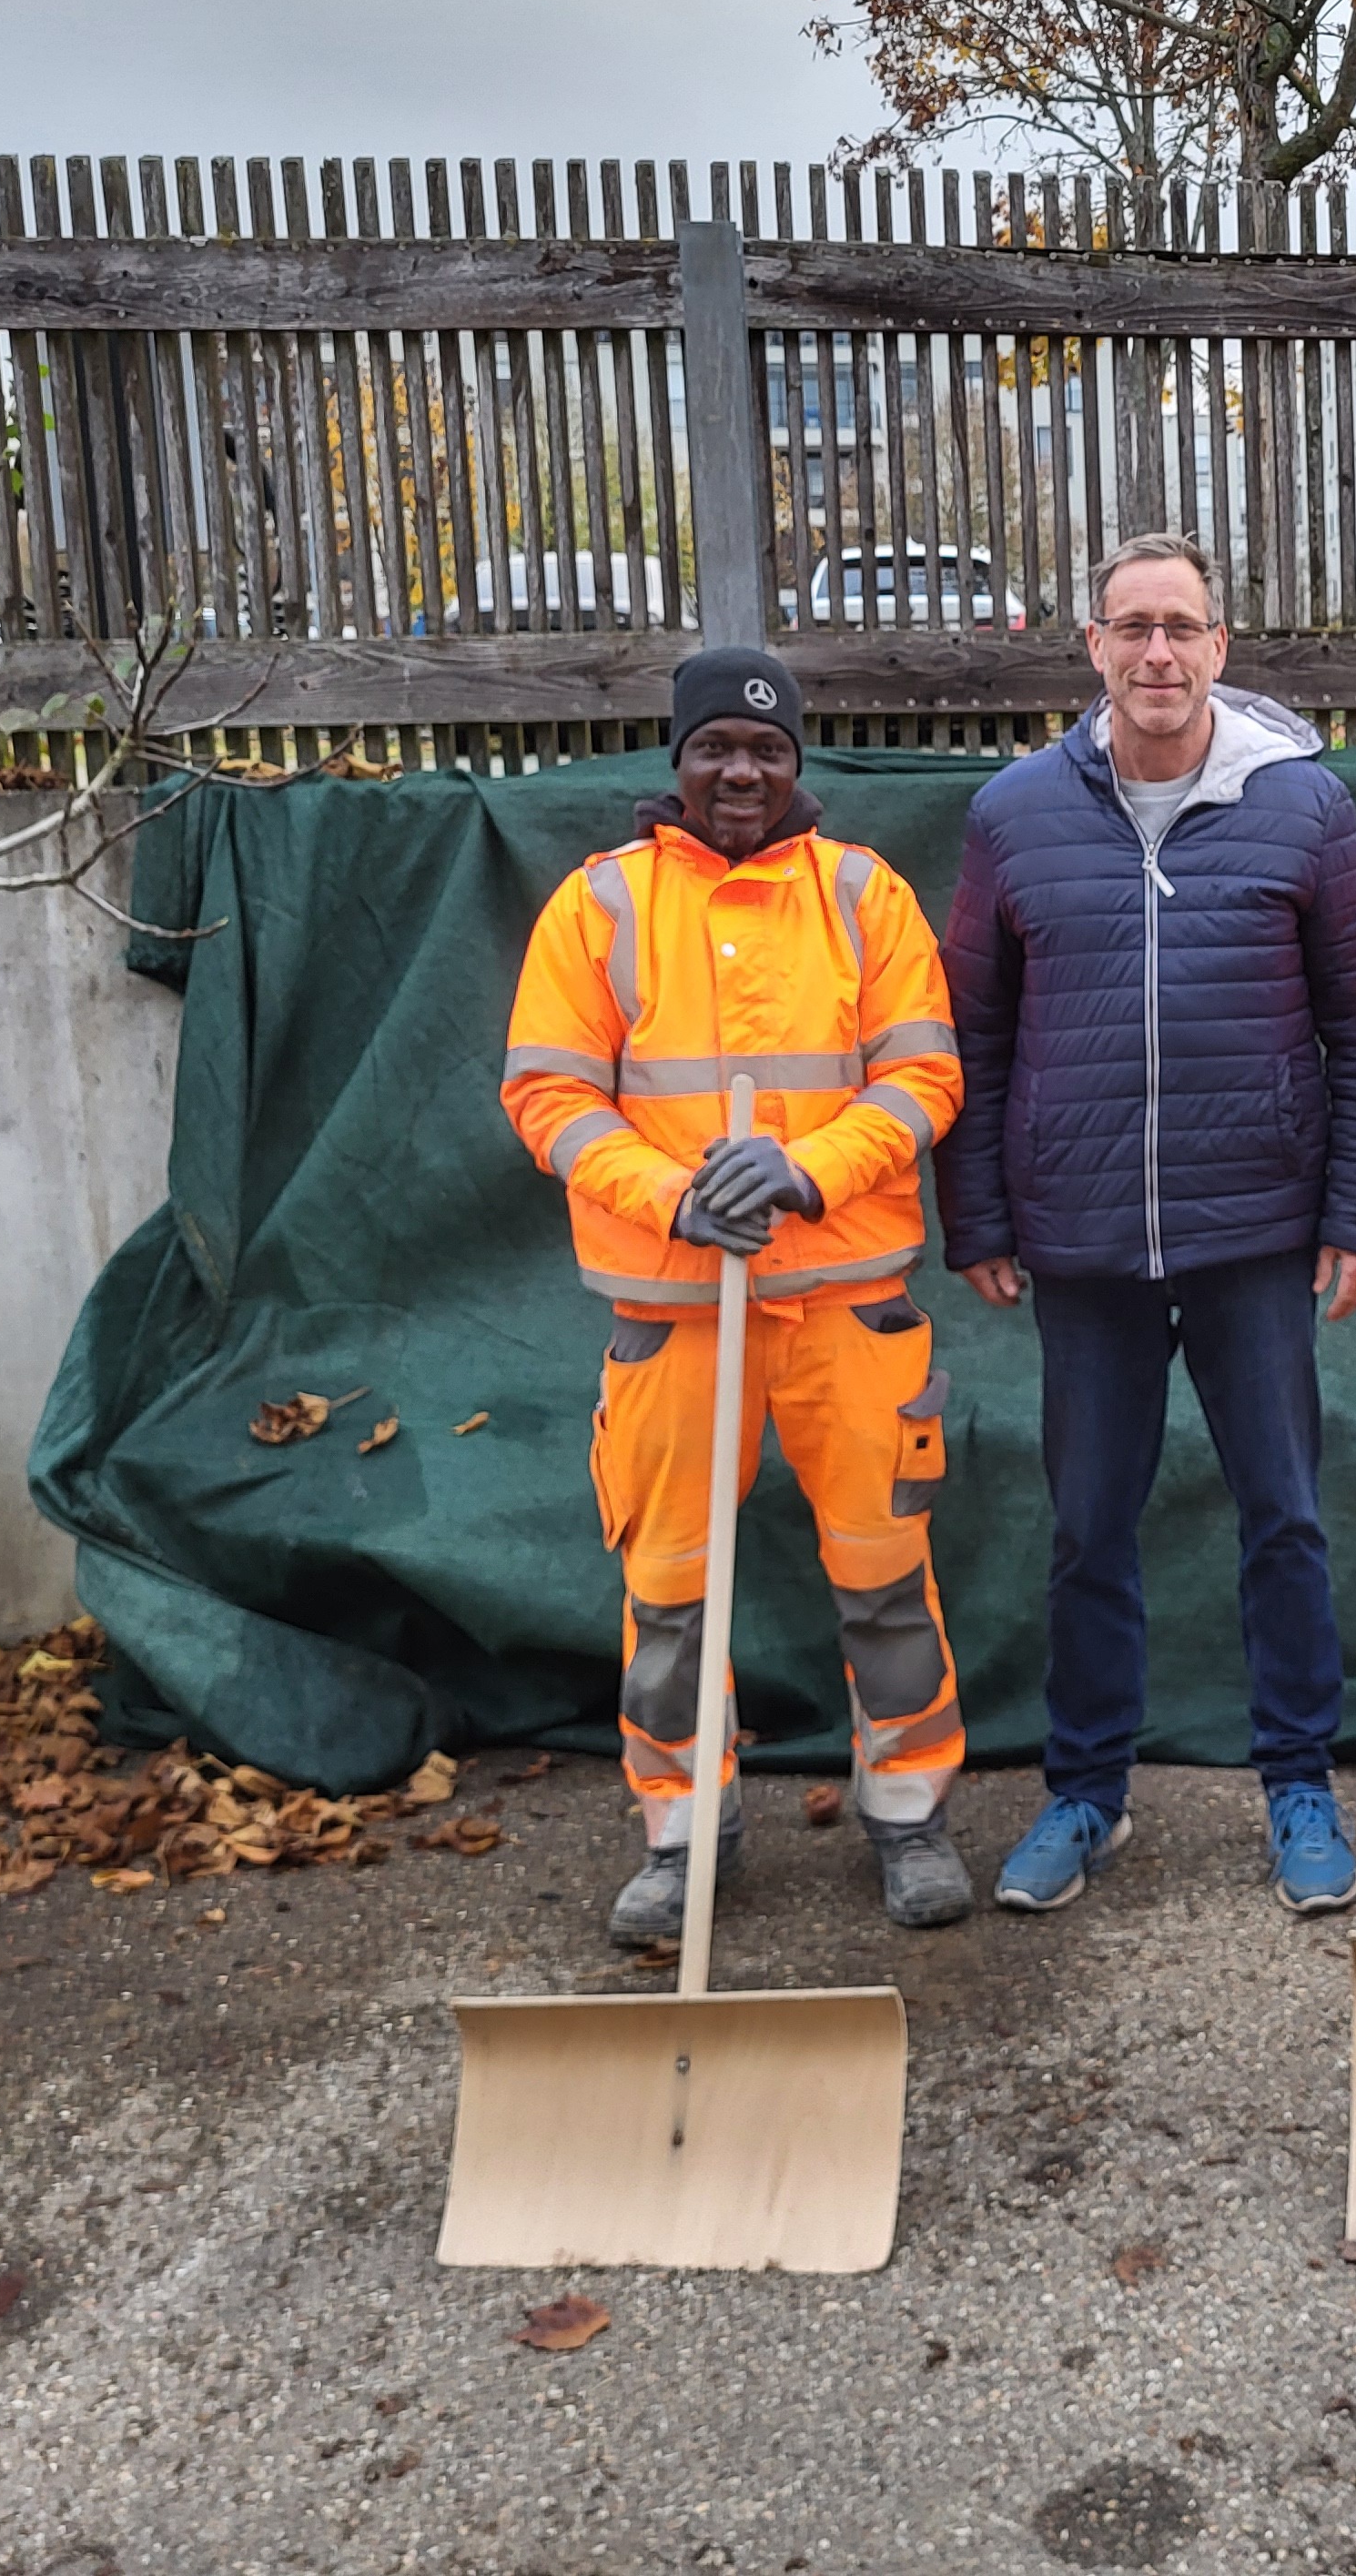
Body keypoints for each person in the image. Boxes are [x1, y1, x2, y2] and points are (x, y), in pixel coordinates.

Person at [934, 531, 1356, 1916]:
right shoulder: (1013, 811)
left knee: (1286, 1518)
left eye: (1182, 628)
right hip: (1078, 1236)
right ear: (1093, 647)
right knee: (1088, 1527)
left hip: (1258, 1224)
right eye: (1131, 627)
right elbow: (974, 1031)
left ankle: (1300, 1788)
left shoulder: (1305, 806)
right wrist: (978, 1215)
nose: (1157, 653)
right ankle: (1085, 1797)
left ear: (1220, 647)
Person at [502, 645, 977, 1945]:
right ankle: (680, 1838)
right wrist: (672, 1197)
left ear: (797, 763)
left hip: (849, 1313)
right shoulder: (599, 907)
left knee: (883, 1577)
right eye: (717, 748)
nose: (741, 773)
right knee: (667, 1593)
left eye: (767, 751)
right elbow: (545, 1094)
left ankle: (911, 1816)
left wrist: (808, 1169)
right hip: (672, 1313)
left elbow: (924, 1079)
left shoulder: (864, 898)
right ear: (678, 759)